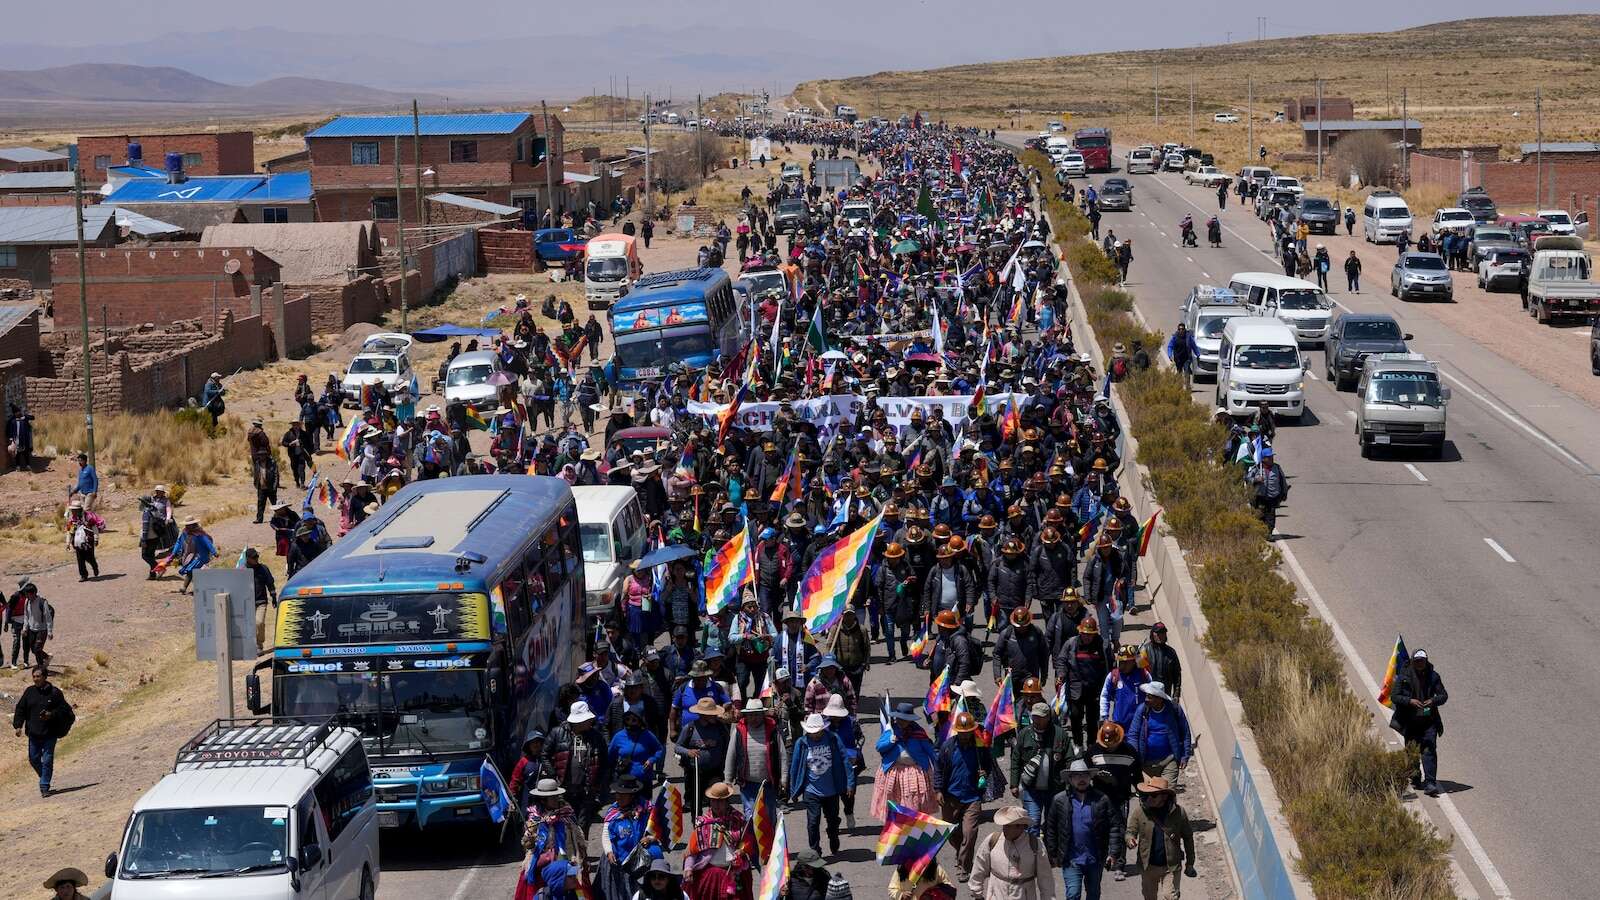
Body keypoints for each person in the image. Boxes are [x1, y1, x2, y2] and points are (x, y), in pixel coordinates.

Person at [1043, 757, 1121, 900]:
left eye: (1084, 775)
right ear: (1070, 779)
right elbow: (1051, 828)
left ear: (1090, 777)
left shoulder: (1102, 799)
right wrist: (1052, 853)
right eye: (1077, 776)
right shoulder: (1059, 800)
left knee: (1093, 894)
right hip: (1071, 859)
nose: (1081, 779)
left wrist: (1113, 852)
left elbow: (1115, 826)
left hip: (1095, 858)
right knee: (1073, 894)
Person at [934, 711, 997, 882]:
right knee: (951, 833)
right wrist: (938, 790)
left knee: (970, 833)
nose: (964, 735)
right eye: (961, 732)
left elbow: (988, 765)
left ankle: (964, 866)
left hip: (972, 798)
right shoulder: (947, 747)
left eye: (967, 732)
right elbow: (939, 769)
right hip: (950, 797)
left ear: (972, 731)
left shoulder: (979, 748)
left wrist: (984, 772)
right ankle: (961, 853)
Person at [790, 712, 854, 857]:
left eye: (817, 732)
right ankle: (815, 850)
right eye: (812, 732)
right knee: (813, 822)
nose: (815, 735)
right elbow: (794, 768)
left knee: (832, 820)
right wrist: (793, 790)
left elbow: (845, 761)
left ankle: (833, 836)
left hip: (831, 790)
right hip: (811, 790)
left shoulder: (832, 739)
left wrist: (850, 784)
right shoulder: (802, 743)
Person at [1124, 777, 1196, 899]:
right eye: (1146, 795)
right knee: (1149, 896)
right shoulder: (1140, 812)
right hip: (1148, 867)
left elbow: (1188, 838)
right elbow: (1130, 831)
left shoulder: (1179, 813)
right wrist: (1130, 839)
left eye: (1153, 795)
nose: (1148, 798)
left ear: (1164, 796)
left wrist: (1190, 863)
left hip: (1171, 866)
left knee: (1170, 896)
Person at [1389, 648, 1448, 796]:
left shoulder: (1434, 676)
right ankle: (1415, 777)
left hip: (1429, 721)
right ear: (1413, 662)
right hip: (1410, 721)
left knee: (1429, 750)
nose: (1420, 663)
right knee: (1412, 751)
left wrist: (1433, 701)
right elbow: (1395, 696)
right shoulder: (1404, 676)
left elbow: (1443, 696)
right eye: (1417, 661)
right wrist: (1410, 701)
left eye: (1423, 660)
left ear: (1426, 660)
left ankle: (1430, 783)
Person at [1010, 702, 1072, 834]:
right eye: (1035, 716)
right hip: (1030, 788)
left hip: (1054, 789)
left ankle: (1048, 852)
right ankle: (1032, 852)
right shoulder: (1024, 734)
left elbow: (1069, 761)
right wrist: (1014, 784)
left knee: (1052, 824)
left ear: (1048, 717)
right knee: (1033, 822)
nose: (1037, 720)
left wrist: (1069, 785)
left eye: (1041, 717)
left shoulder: (1060, 735)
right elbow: (1015, 759)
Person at [970, 805, 1056, 900]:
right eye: (1004, 825)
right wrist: (976, 892)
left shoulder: (1035, 845)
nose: (1004, 829)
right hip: (996, 895)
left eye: (1008, 826)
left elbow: (1045, 879)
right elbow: (979, 866)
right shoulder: (992, 840)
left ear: (1020, 827)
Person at [599, 774, 663, 900]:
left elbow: (658, 831)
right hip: (618, 858)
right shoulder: (613, 812)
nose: (618, 797)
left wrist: (649, 839)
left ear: (632, 795)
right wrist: (609, 851)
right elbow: (606, 834)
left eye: (623, 794)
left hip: (640, 857)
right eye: (617, 794)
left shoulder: (646, 809)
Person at [13, 665, 74, 797]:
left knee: (47, 760)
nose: (35, 679)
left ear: (45, 677)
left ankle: (44, 786)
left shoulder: (55, 693)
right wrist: (18, 725)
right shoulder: (29, 692)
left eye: (38, 676)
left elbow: (65, 711)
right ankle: (44, 776)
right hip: (34, 733)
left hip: (49, 733)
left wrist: (51, 715)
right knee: (34, 759)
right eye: (34, 676)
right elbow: (20, 709)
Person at [872, 702, 939, 818]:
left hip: (913, 774)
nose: (901, 722)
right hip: (894, 773)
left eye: (905, 720)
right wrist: (891, 741)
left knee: (912, 804)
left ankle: (912, 828)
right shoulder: (891, 731)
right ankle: (897, 828)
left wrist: (939, 772)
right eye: (900, 719)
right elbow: (879, 747)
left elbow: (931, 753)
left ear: (910, 720)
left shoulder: (919, 733)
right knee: (895, 803)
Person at [725, 698, 785, 815]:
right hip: (748, 784)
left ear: (763, 715)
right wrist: (728, 780)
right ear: (746, 715)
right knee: (750, 817)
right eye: (751, 715)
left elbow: (782, 755)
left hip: (768, 784)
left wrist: (784, 778)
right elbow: (731, 755)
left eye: (757, 715)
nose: (754, 718)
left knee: (769, 816)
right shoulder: (738, 731)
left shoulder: (773, 730)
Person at [1124, 682, 1191, 784]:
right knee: (1148, 796)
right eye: (1146, 696)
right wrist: (1135, 757)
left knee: (1166, 793)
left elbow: (1185, 732)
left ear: (1160, 699)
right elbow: (1133, 735)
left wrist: (1185, 755)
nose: (1146, 699)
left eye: (1150, 697)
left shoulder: (1174, 709)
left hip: (1169, 761)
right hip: (1146, 763)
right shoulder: (1142, 710)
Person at [241, 547, 279, 654]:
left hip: (261, 601)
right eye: (254, 557)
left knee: (259, 622)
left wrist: (273, 596)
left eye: (257, 556)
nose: (256, 559)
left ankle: (259, 645)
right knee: (249, 624)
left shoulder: (263, 568)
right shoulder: (243, 571)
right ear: (248, 558)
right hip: (247, 602)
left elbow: (270, 583)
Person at [1246, 446, 1288, 536]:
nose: (1271, 459)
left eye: (1272, 457)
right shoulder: (1257, 468)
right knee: (1259, 516)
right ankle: (1258, 533)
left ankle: (1269, 533)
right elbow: (1247, 477)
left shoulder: (1277, 468)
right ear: (1264, 459)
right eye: (1269, 457)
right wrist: (1256, 479)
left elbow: (1283, 481)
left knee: (1271, 517)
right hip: (1260, 497)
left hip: (1272, 497)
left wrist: (1284, 493)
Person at [63, 500, 104, 582]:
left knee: (89, 557)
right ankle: (83, 575)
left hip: (88, 540)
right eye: (72, 510)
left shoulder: (88, 517)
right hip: (77, 542)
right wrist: (67, 543)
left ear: (79, 509)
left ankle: (94, 566)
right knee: (80, 558)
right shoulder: (71, 520)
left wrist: (96, 538)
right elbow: (69, 532)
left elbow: (94, 527)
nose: (73, 511)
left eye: (75, 510)